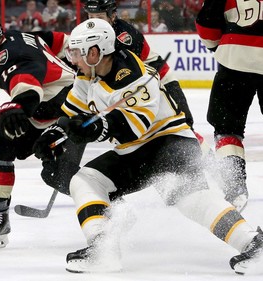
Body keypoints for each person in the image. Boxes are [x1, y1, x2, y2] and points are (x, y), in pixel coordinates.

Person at [33, 18, 263, 274]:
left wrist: (94, 128)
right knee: (85, 180)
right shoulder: (89, 72)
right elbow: (72, 110)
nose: (72, 59)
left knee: (191, 199)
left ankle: (253, 242)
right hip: (136, 151)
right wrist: (53, 134)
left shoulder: (135, 75)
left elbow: (133, 128)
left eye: (76, 53)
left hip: (170, 142)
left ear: (96, 51)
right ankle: (102, 248)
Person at [0, 11, 85, 250]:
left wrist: (17, 107)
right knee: (0, 139)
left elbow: (28, 86)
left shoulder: (5, 59)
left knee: (56, 174)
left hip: (69, 111)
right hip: (55, 107)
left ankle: (106, 206)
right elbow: (63, 41)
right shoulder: (22, 36)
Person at [83, 0, 211, 162]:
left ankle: (207, 161)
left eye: (99, 17)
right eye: (90, 17)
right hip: (140, 87)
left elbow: (129, 73)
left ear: (113, 16)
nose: (94, 22)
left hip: (160, 82)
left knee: (182, 126)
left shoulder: (124, 36)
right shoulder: (86, 35)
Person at [195, 0, 263, 212]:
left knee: (227, 128)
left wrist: (222, 47)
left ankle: (235, 188)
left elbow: (207, 26)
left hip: (235, 59)